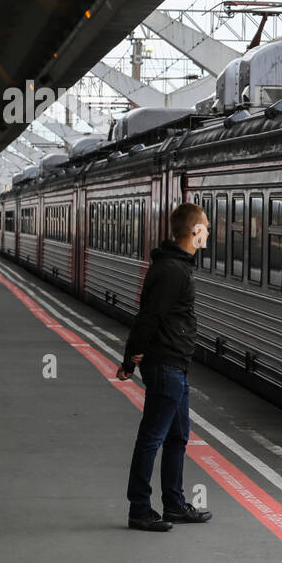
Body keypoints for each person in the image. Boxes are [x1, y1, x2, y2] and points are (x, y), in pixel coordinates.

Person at [116, 202, 212, 532]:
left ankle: (173, 503)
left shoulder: (177, 266)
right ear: (195, 231)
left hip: (175, 366)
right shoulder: (172, 270)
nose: (209, 233)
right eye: (206, 228)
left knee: (177, 437)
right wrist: (131, 357)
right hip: (166, 365)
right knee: (152, 439)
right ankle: (139, 508)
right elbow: (150, 316)